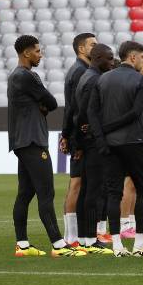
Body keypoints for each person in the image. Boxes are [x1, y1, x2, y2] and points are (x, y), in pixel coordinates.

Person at [8, 35, 83, 258]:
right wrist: (41, 105)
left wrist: (39, 105)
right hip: (32, 140)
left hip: (23, 141)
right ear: (26, 53)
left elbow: (45, 104)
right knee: (46, 193)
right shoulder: (27, 76)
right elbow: (51, 102)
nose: (40, 55)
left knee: (25, 193)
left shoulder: (16, 76)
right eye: (37, 51)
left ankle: (22, 245)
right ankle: (59, 245)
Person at [95, 41, 143, 256]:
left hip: (110, 144)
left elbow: (94, 112)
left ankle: (117, 246)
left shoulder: (103, 79)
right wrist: (108, 128)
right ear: (132, 57)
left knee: (114, 193)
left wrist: (103, 133)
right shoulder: (141, 80)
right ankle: (139, 244)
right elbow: (135, 113)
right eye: (141, 57)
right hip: (134, 141)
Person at [72, 43, 116, 255]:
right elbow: (85, 112)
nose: (112, 62)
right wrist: (86, 135)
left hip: (87, 141)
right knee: (93, 191)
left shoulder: (87, 76)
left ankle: (83, 238)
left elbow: (78, 112)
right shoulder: (94, 80)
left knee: (87, 191)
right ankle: (90, 240)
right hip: (93, 142)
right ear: (98, 58)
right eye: (109, 58)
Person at [58, 32, 96, 248]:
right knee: (77, 183)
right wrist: (69, 136)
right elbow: (74, 108)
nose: (96, 48)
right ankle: (71, 237)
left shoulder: (79, 70)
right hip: (79, 135)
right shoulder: (80, 72)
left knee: (79, 183)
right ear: (81, 49)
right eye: (92, 44)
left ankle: (75, 235)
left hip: (75, 133)